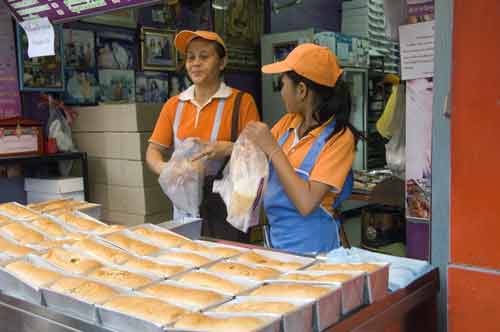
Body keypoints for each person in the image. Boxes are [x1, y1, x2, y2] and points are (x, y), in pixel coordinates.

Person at [243, 43, 362, 254]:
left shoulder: (340, 138)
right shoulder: (289, 123)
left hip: (316, 251)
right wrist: (222, 150)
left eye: (283, 85)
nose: (281, 93)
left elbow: (307, 203)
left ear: (301, 90)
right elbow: (257, 151)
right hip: (277, 244)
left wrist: (272, 149)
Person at [146, 30, 260, 242]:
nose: (195, 63)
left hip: (227, 206)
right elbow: (153, 150)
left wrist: (227, 149)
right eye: (191, 57)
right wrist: (166, 168)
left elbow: (258, 155)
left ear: (222, 62)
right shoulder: (174, 105)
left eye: (204, 56)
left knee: (227, 265)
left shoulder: (242, 102)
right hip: (184, 209)